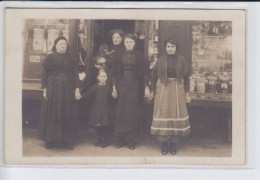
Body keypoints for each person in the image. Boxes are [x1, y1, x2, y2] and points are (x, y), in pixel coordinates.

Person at [150, 38, 191, 155]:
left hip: (177, 89)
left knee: (175, 113)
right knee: (164, 113)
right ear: (165, 48)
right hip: (163, 88)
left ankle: (173, 144)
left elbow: (187, 77)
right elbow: (153, 76)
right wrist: (152, 91)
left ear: (176, 48)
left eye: (172, 46)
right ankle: (164, 143)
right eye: (168, 46)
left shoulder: (182, 60)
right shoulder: (161, 60)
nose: (170, 49)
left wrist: (187, 93)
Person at [38, 36, 81, 150]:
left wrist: (77, 88)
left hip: (68, 89)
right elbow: (44, 75)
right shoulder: (50, 57)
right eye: (60, 44)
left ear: (67, 46)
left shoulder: (71, 58)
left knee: (67, 113)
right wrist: (45, 89)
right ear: (56, 45)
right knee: (53, 112)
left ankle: (67, 141)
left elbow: (76, 74)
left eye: (65, 44)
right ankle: (51, 140)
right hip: (53, 88)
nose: (63, 46)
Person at [111, 33, 150, 150]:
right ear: (124, 43)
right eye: (127, 42)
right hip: (121, 84)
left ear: (134, 43)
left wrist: (146, 87)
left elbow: (145, 73)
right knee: (120, 111)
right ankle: (120, 138)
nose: (128, 44)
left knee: (132, 111)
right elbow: (113, 72)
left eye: (131, 42)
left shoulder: (139, 55)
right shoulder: (118, 55)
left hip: (134, 85)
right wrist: (113, 87)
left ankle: (130, 139)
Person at [79, 70, 114, 148]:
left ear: (107, 78)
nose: (103, 78)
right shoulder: (95, 87)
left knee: (105, 125)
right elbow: (88, 94)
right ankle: (99, 139)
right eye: (101, 77)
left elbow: (112, 98)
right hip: (97, 109)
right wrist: (81, 96)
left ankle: (106, 140)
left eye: (104, 77)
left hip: (106, 109)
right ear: (98, 77)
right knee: (98, 126)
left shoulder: (109, 87)